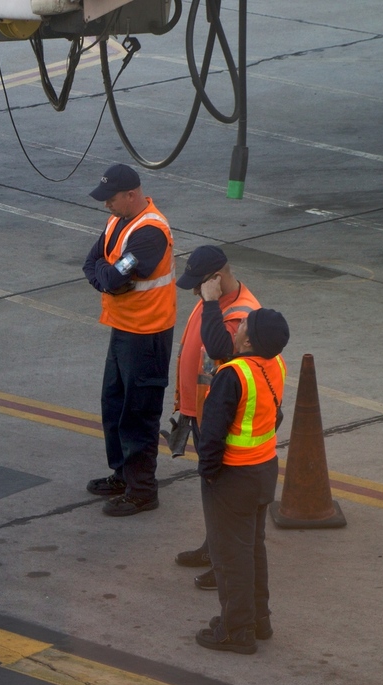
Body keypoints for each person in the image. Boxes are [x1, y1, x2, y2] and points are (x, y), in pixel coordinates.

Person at [82, 164, 177, 517]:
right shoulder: (118, 220)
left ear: (131, 195)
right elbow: (94, 265)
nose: (106, 204)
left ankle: (142, 490)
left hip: (147, 333)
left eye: (111, 198)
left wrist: (106, 276)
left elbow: (112, 275)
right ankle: (123, 474)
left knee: (139, 412)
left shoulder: (150, 231)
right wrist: (106, 276)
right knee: (114, 404)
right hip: (123, 327)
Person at [194, 308, 288, 655]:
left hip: (233, 477)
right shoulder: (275, 364)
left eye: (243, 325)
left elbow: (213, 434)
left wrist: (208, 473)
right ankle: (257, 619)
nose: (237, 327)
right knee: (253, 550)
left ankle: (236, 630)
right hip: (264, 470)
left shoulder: (233, 374)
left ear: (248, 340)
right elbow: (275, 415)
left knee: (230, 556)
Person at [167, 246, 261, 591]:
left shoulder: (241, 313)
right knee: (211, 491)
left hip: (219, 421)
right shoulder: (215, 301)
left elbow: (221, 349)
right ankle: (212, 549)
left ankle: (222, 564)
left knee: (221, 494)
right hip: (201, 412)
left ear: (216, 279)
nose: (194, 291)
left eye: (199, 285)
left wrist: (207, 302)